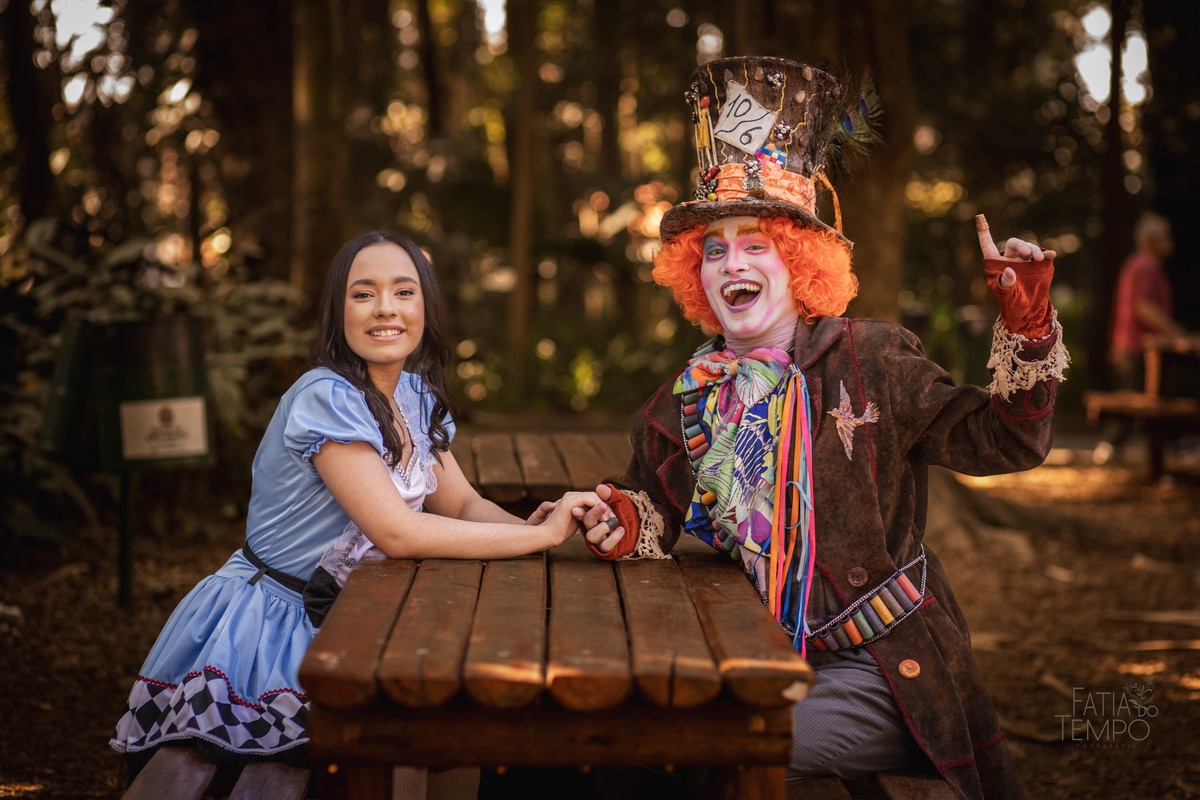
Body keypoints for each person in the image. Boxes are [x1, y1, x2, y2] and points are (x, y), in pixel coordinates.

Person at [575, 57, 1069, 800]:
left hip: (884, 669)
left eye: (755, 244)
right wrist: (617, 515)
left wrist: (1027, 324)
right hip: (756, 654)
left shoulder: (871, 358)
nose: (731, 263)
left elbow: (1008, 442)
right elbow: (654, 507)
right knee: (623, 741)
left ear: (799, 262)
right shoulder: (687, 397)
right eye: (714, 250)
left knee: (720, 746)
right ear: (694, 275)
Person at [110, 231, 598, 778]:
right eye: (363, 294)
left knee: (471, 724)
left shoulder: (412, 396)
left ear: (426, 307)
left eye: (403, 292)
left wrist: (536, 527)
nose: (385, 308)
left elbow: (460, 504)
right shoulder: (327, 396)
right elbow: (398, 533)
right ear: (337, 312)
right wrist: (542, 537)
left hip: (362, 616)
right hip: (274, 628)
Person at [1095, 212, 1180, 464]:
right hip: (1141, 346)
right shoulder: (1146, 265)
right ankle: (1114, 445)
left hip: (1129, 343)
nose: (1170, 242)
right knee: (1148, 397)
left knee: (1139, 396)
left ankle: (1118, 446)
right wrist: (1173, 330)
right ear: (1153, 240)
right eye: (1166, 237)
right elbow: (1142, 307)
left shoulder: (1134, 263)